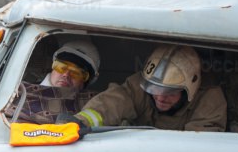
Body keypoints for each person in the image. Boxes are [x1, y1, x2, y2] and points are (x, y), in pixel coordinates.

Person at [0, 38, 100, 141]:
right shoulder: (15, 92)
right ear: (53, 66)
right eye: (61, 67)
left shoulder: (91, 104)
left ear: (87, 81)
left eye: (76, 72)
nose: (66, 74)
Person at [66, 44, 227, 132]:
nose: (160, 97)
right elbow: (113, 102)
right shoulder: (138, 85)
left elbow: (196, 150)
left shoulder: (210, 99)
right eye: (154, 89)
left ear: (190, 89)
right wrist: (80, 123)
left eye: (170, 92)